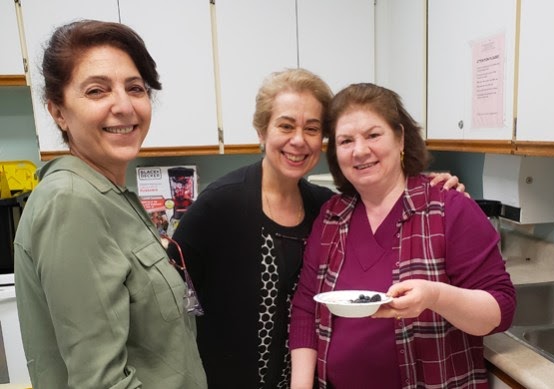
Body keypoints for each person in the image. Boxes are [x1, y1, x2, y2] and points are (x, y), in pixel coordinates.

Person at [169, 69, 465, 388]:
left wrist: (440, 188)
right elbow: (167, 300)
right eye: (285, 126)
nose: (299, 140)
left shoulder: (325, 209)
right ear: (261, 131)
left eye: (311, 129)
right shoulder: (219, 205)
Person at [13, 20, 207, 389]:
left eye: (135, 88)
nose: (123, 106)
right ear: (58, 111)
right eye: (97, 91)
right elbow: (101, 382)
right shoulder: (71, 202)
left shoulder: (111, 196)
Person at [289, 83, 516, 389]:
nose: (359, 150)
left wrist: (435, 296)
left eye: (373, 135)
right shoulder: (331, 217)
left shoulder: (449, 209)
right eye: (345, 140)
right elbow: (306, 307)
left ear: (400, 138)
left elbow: (499, 311)